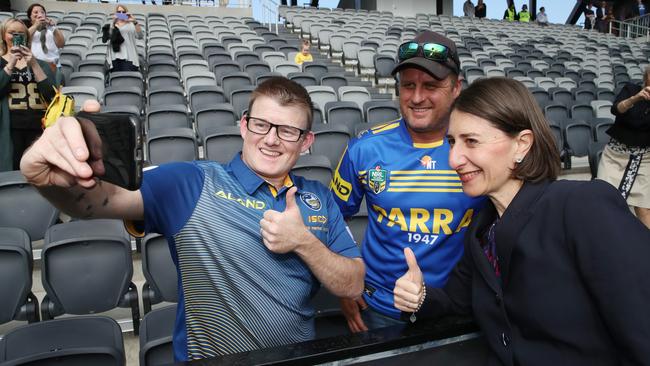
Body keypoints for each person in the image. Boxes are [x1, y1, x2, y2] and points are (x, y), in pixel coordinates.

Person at [20, 77, 365, 361]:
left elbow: (352, 283)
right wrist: (51, 180)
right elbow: (100, 201)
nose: (271, 140)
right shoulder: (192, 182)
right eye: (261, 125)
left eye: (288, 131)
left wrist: (304, 242)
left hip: (297, 359)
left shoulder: (318, 197)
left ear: (306, 142)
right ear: (244, 126)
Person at [394, 77, 650, 365]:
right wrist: (419, 296)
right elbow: (456, 303)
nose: (453, 159)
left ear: (522, 144)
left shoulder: (582, 206)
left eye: (471, 141)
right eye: (452, 142)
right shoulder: (480, 231)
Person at [331, 30, 484, 332]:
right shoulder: (364, 149)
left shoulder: (482, 150)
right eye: (408, 85)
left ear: (456, 88)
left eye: (431, 86)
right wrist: (344, 284)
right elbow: (332, 218)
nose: (416, 97)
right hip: (379, 310)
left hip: (458, 308)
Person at [0, 18, 58, 172]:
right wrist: (11, 63)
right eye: (12, 33)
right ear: (3, 36)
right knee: (13, 171)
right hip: (10, 127)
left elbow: (52, 95)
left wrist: (33, 64)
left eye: (21, 33)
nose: (16, 36)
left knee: (38, 171)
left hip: (38, 125)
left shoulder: (41, 64)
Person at [597, 67, 650, 229]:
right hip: (615, 155)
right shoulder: (631, 89)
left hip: (644, 158)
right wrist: (636, 98)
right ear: (646, 77)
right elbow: (617, 109)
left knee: (643, 207)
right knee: (603, 199)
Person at [102, 5, 142, 72]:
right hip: (114, 57)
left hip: (129, 57)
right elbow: (108, 37)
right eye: (119, 12)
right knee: (116, 79)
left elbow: (140, 36)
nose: (121, 14)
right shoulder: (111, 25)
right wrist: (113, 23)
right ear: (116, 13)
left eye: (123, 12)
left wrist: (135, 22)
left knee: (128, 79)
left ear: (126, 13)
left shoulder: (131, 25)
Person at [26, 3, 64, 70]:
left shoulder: (52, 29)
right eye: (36, 12)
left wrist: (53, 27)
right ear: (30, 17)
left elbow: (61, 44)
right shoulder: (29, 30)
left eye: (42, 12)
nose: (40, 15)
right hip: (35, 66)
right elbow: (24, 39)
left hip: (53, 66)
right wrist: (36, 25)